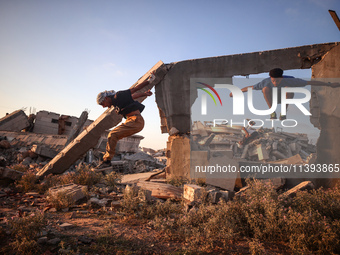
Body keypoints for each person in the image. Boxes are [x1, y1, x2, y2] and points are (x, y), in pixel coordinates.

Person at [94, 72, 156, 169]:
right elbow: (132, 97)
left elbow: (134, 90)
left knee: (112, 134)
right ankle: (107, 159)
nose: (103, 106)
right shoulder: (116, 102)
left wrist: (149, 81)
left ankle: (107, 161)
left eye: (103, 103)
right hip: (131, 121)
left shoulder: (118, 96)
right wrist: (145, 94)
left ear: (106, 98)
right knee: (114, 136)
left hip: (136, 121)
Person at [230, 68, 340, 120]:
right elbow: (251, 88)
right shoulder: (266, 81)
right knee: (265, 89)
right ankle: (272, 112)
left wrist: (329, 84)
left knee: (288, 88)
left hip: (285, 98)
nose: (274, 83)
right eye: (273, 80)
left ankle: (283, 111)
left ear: (281, 78)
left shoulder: (291, 80)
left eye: (277, 81)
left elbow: (311, 82)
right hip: (272, 99)